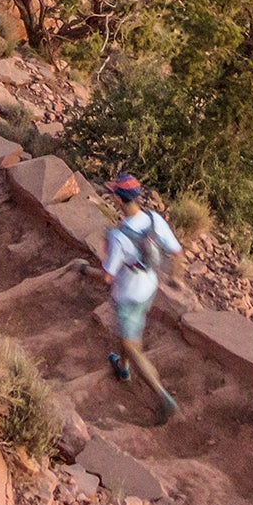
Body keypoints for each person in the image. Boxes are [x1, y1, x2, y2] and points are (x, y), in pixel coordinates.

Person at [98, 173, 183, 424]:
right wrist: (175, 278)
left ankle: (162, 396)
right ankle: (122, 369)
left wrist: (84, 269)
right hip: (149, 289)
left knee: (133, 346)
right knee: (127, 336)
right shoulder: (155, 220)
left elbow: (107, 277)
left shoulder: (118, 236)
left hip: (127, 295)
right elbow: (177, 252)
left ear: (117, 197)